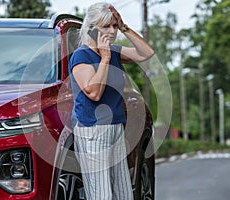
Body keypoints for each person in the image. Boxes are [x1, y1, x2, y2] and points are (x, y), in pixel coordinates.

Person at [68, 2, 154, 200]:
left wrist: (125, 27)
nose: (112, 31)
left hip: (115, 128)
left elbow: (146, 53)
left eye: (114, 26)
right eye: (106, 26)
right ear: (91, 29)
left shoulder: (113, 51)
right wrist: (105, 59)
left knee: (123, 194)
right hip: (93, 131)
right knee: (101, 195)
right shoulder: (82, 56)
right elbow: (94, 93)